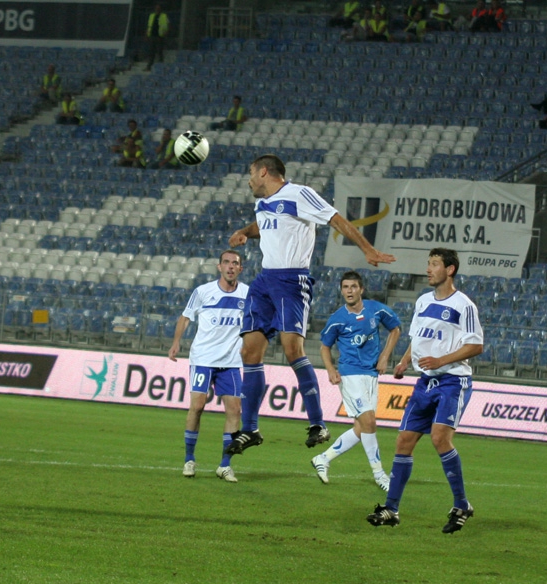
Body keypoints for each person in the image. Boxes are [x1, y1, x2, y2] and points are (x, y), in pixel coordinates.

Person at [224, 154, 394, 458]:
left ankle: (318, 423)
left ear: (264, 171)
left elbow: (336, 219)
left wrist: (367, 249)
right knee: (249, 351)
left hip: (292, 280)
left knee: (292, 350)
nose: (249, 180)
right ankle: (250, 428)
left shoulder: (299, 194)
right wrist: (245, 232)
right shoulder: (263, 203)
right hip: (264, 280)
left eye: (251, 173)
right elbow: (264, 225)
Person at [366, 248, 483, 533]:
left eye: (434, 264)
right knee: (403, 442)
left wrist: (442, 360)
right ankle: (391, 508)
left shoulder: (464, 305)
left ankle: (461, 504)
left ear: (450, 270)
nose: (428, 269)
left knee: (440, 437)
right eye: (428, 264)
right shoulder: (422, 302)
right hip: (424, 382)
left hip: (453, 381)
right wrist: (405, 361)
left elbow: (476, 345)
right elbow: (417, 339)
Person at [312, 271, 401, 491]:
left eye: (353, 287)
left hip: (371, 374)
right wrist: (331, 369)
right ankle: (380, 475)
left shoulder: (376, 309)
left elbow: (396, 328)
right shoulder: (337, 319)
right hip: (350, 374)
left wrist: (385, 356)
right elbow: (324, 346)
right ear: (341, 290)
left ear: (361, 289)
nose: (349, 291)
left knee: (362, 428)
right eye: (345, 287)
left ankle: (323, 458)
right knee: (369, 423)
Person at [168, 250, 249, 482]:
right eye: (227, 262)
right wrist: (176, 343)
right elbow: (185, 317)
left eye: (235, 263)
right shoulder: (203, 292)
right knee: (197, 407)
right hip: (203, 359)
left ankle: (224, 464)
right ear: (219, 266)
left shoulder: (248, 294)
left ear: (240, 269)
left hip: (231, 362)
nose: (231, 267)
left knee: (234, 411)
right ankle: (189, 459)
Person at [145, 3, 169, 71]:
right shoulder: (152, 16)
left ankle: (160, 67)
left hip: (160, 37)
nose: (157, 9)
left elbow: (168, 25)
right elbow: (149, 26)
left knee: (159, 52)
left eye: (158, 8)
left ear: (161, 9)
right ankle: (149, 66)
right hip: (152, 36)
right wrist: (146, 34)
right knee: (151, 52)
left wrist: (166, 33)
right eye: (156, 8)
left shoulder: (164, 16)